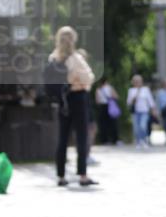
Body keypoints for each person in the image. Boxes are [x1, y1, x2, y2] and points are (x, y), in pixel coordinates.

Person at [50, 26, 97, 186]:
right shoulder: (76, 58)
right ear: (73, 39)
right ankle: (82, 175)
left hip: (63, 100)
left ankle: (61, 176)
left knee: (62, 137)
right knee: (82, 136)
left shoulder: (53, 58)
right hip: (78, 97)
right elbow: (88, 78)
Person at [127, 75, 157, 149]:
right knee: (136, 128)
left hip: (144, 111)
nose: (137, 83)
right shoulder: (131, 90)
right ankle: (138, 142)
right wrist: (135, 95)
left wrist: (153, 110)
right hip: (135, 112)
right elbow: (128, 103)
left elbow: (150, 101)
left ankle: (144, 140)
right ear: (133, 82)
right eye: (136, 81)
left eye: (139, 81)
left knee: (143, 126)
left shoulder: (146, 89)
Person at [95, 77, 120, 145]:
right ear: (106, 81)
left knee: (103, 125)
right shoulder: (110, 88)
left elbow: (97, 101)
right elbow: (116, 96)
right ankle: (115, 140)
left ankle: (104, 140)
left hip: (102, 107)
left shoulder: (98, 89)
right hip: (110, 106)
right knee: (113, 124)